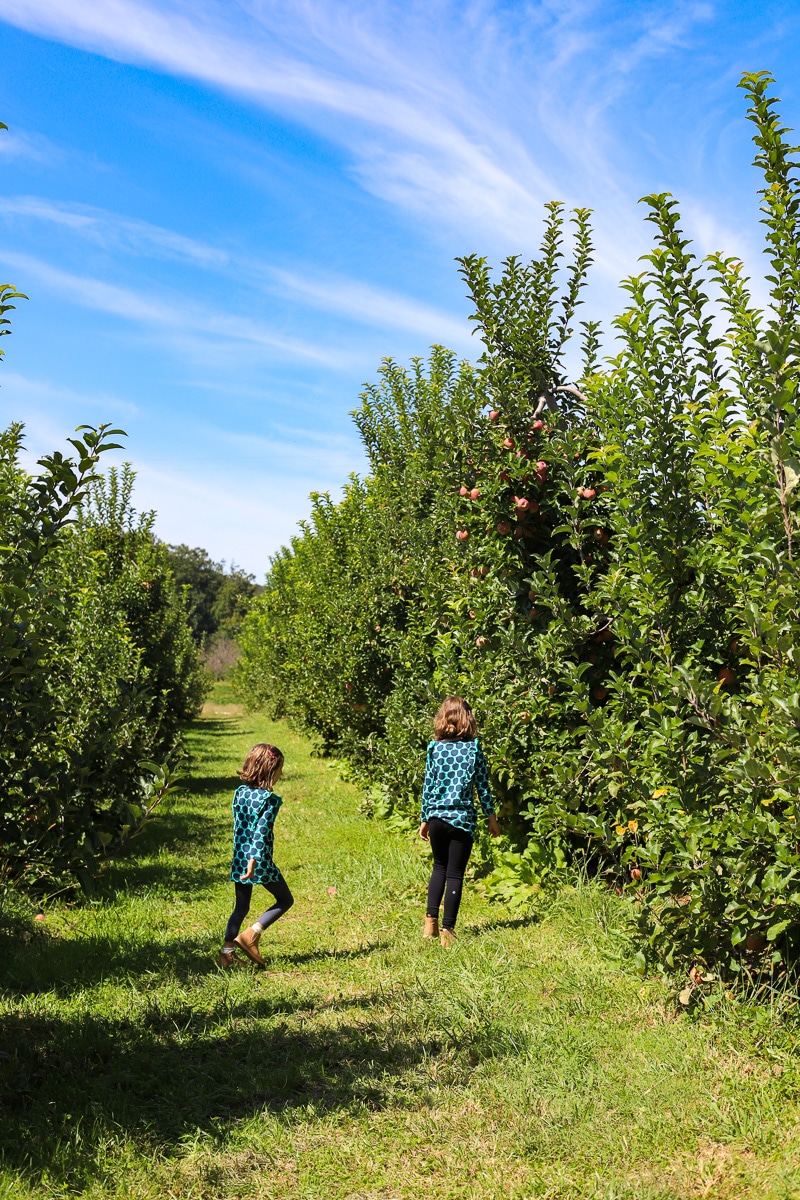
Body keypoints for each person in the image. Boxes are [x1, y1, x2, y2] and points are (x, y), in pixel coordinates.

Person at [419, 696, 500, 947]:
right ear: (467, 719)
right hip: (461, 820)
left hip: (437, 817)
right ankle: (447, 931)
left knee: (438, 868)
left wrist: (425, 818)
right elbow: (483, 786)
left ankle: (430, 923)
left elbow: (428, 786)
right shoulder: (473, 749)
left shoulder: (434, 748)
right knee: (455, 874)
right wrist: (492, 818)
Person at [218, 742, 294, 968]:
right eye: (280, 769)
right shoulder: (269, 800)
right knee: (285, 899)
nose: (281, 774)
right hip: (258, 860)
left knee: (241, 907)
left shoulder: (240, 793)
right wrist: (254, 860)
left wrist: (246, 859)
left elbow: (241, 825)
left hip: (240, 857)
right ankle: (251, 934)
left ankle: (226, 954)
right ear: (270, 770)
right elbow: (260, 832)